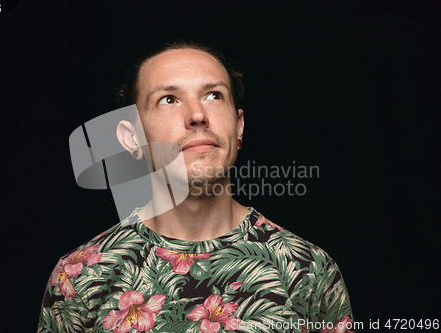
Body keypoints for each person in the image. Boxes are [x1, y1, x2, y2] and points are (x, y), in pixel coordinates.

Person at [37, 41, 357, 333]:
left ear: (239, 126)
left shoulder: (308, 271)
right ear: (131, 139)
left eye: (214, 95)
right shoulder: (79, 278)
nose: (197, 115)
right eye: (169, 99)